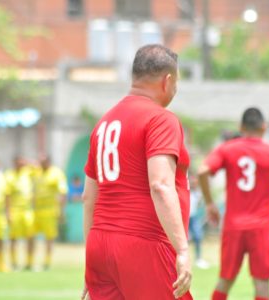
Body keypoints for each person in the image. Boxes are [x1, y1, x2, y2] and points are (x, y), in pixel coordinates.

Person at [82, 44, 192, 300]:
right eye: (176, 83)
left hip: (101, 244)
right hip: (144, 243)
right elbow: (161, 185)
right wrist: (183, 249)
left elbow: (89, 198)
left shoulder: (104, 123)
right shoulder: (161, 119)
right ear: (167, 81)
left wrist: (91, 259)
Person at [198, 107, 269, 300]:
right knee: (262, 283)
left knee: (225, 280)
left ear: (241, 127)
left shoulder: (228, 149)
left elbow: (202, 171)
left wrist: (209, 204)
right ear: (264, 127)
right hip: (262, 227)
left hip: (234, 226)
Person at [32, 154, 67, 270]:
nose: (40, 165)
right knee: (30, 235)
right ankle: (30, 261)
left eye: (42, 162)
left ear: (48, 162)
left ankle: (46, 262)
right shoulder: (37, 172)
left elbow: (62, 193)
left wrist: (61, 211)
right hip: (36, 210)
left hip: (50, 210)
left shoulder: (56, 173)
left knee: (49, 237)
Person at [4, 156, 35, 270]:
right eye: (18, 163)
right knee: (13, 238)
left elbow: (39, 167)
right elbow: (6, 195)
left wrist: (28, 162)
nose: (20, 165)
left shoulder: (28, 172)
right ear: (14, 163)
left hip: (27, 210)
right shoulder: (9, 175)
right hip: (14, 209)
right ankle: (14, 263)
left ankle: (29, 263)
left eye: (21, 163)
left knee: (31, 236)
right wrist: (7, 212)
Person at [189, 175, 209, 269]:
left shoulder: (199, 193)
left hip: (194, 217)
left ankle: (198, 259)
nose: (194, 184)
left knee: (197, 237)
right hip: (184, 217)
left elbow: (201, 206)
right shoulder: (186, 191)